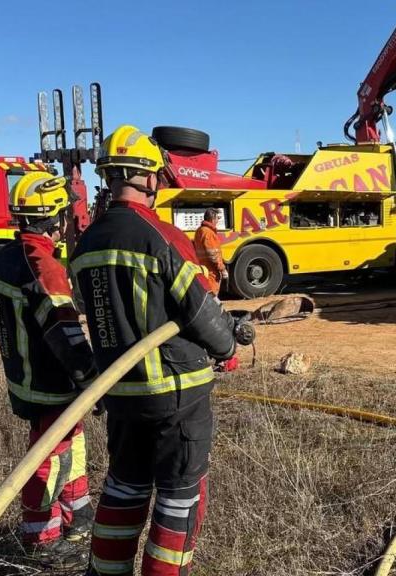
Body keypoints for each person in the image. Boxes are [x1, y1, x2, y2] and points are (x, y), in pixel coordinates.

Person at [71, 125, 238, 576]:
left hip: (119, 394)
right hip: (177, 394)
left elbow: (92, 307)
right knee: (179, 498)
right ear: (149, 178)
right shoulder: (160, 236)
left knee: (124, 488)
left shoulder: (86, 243)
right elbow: (201, 311)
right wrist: (229, 342)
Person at [0, 172, 97, 568]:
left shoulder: (5, 257)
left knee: (71, 443)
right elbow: (66, 335)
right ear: (58, 219)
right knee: (49, 456)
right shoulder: (43, 265)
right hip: (49, 382)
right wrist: (93, 382)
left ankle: (77, 508)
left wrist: (13, 333)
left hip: (23, 377)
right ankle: (41, 537)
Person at [192, 208, 226, 296]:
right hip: (211, 270)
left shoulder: (200, 230)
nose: (218, 221)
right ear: (213, 219)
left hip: (203, 268)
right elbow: (213, 254)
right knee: (212, 294)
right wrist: (222, 269)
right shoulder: (208, 233)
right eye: (217, 218)